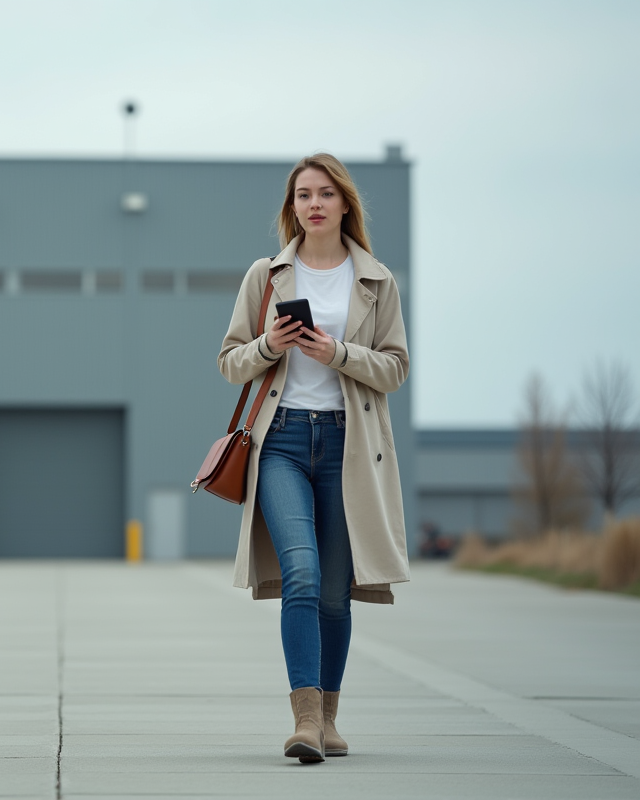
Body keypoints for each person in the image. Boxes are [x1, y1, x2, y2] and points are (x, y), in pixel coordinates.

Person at [217, 153, 410, 763]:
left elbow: (395, 368)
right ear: (292, 206)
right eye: (303, 194)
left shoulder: (375, 280)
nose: (315, 203)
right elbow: (229, 362)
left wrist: (337, 353)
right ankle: (303, 721)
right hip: (282, 443)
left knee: (333, 590)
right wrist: (269, 344)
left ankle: (328, 719)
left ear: (345, 203)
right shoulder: (266, 275)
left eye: (326, 193)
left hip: (349, 447)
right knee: (299, 570)